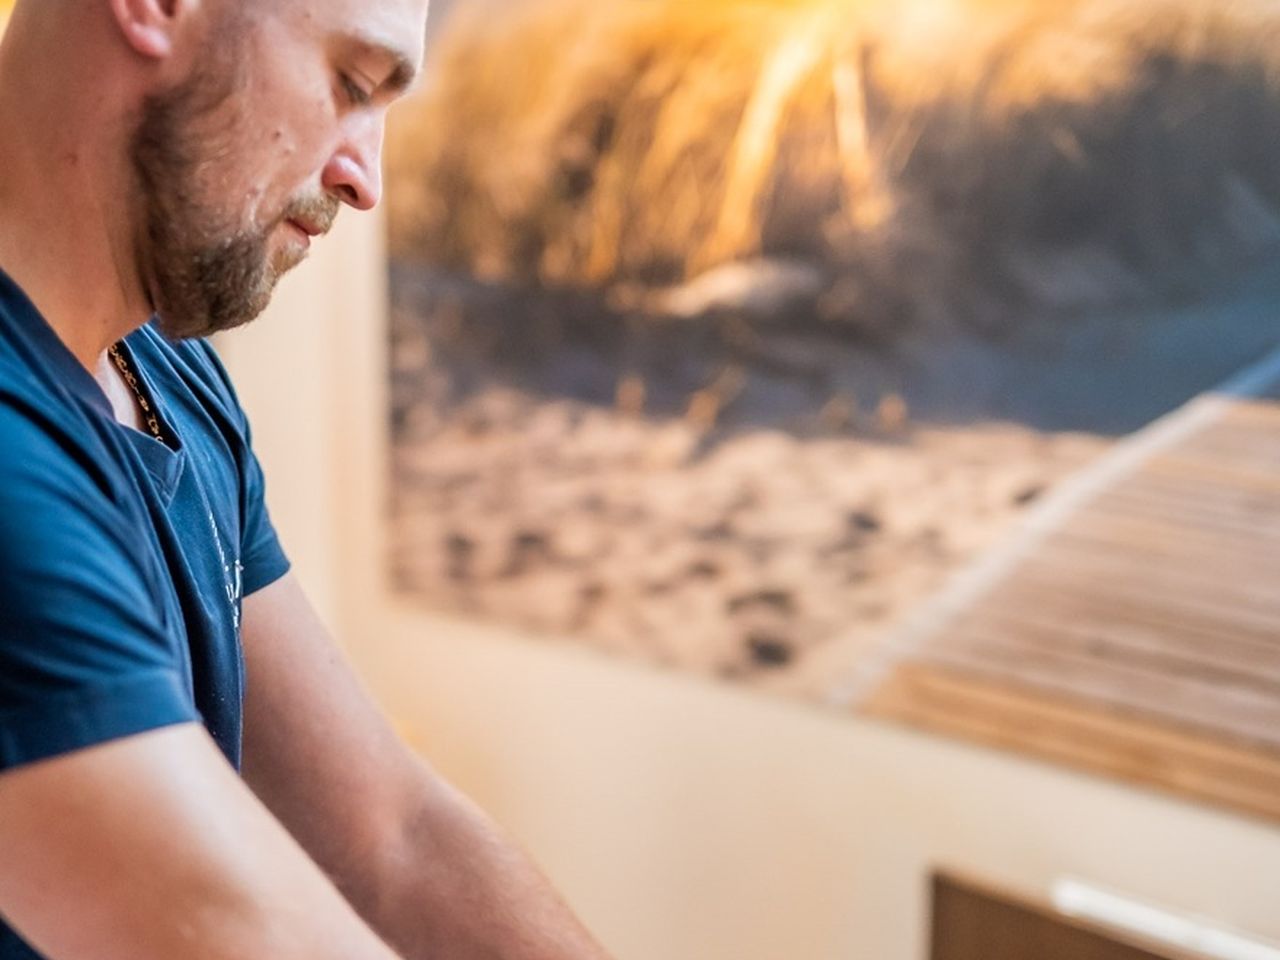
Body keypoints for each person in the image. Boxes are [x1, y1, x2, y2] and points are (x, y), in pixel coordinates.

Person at [0, 2, 615, 959]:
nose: (365, 180)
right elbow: (230, 926)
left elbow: (391, 838)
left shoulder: (164, 369)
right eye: (352, 85)